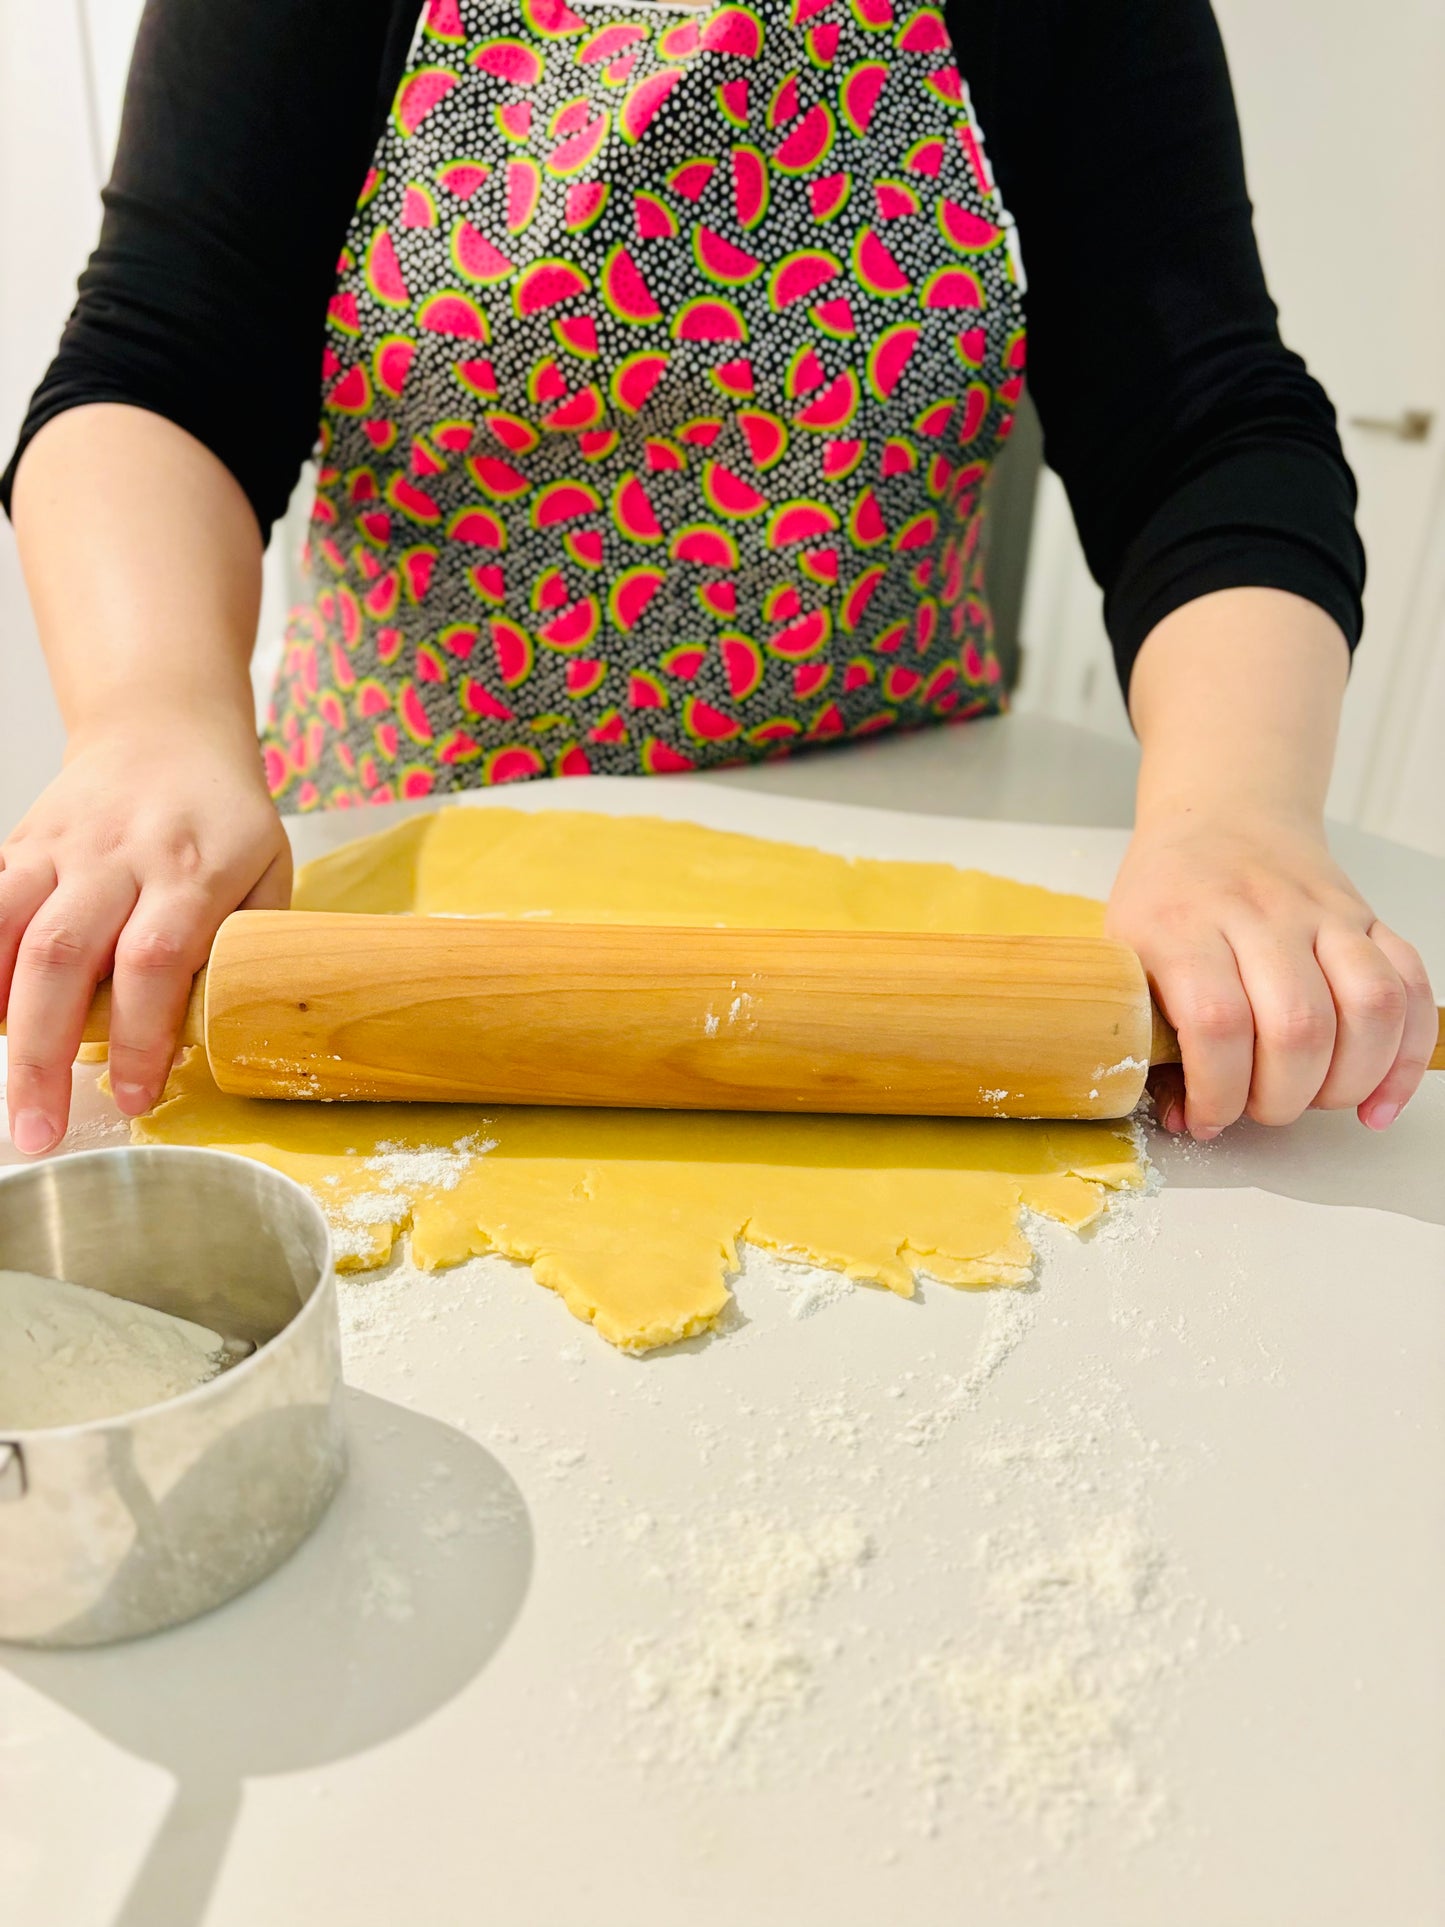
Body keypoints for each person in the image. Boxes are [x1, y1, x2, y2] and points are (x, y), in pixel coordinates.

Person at [0, 0, 1435, 1158]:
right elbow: (163, 371)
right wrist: (152, 718)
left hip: (904, 817)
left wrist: (1233, 812)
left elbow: (1200, 432)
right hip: (395, 842)